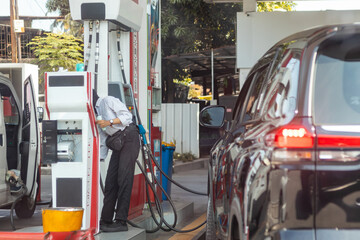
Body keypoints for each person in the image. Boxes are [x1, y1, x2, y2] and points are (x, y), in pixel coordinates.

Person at [92, 89, 140, 232]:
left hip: (129, 137)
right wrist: (98, 159)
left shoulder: (108, 101)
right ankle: (105, 220)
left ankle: (121, 221)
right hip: (117, 142)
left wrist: (109, 122)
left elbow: (127, 116)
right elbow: (103, 137)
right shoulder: (94, 113)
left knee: (123, 179)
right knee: (110, 181)